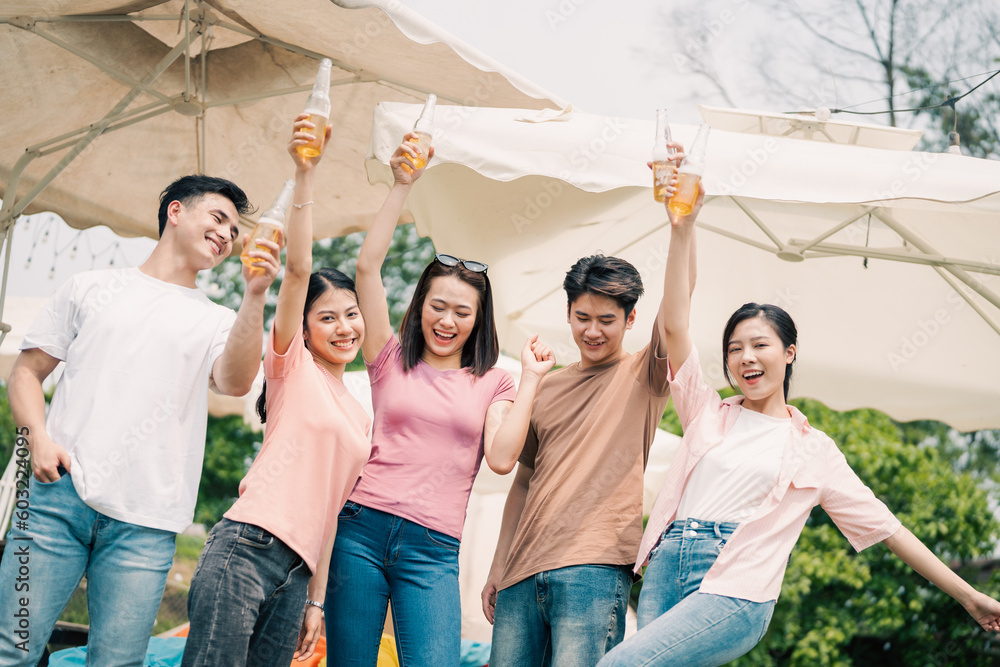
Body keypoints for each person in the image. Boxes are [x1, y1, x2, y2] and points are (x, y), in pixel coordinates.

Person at [597, 173, 1000, 666]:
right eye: (734, 349)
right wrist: (683, 228)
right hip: (666, 563)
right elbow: (675, 323)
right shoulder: (707, 410)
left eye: (759, 345)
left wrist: (968, 596)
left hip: (736, 587)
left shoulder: (814, 450)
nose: (746, 358)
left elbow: (890, 530)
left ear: (788, 354)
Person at [0, 174, 279, 666]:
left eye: (234, 231)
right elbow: (25, 373)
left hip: (146, 522)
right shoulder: (90, 287)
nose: (227, 235)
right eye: (218, 218)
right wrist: (37, 437)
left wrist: (254, 295)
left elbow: (237, 382)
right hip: (55, 500)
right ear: (175, 211)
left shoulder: (216, 320)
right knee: (12, 650)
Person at [323, 133, 555, 665]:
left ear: (478, 320)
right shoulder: (388, 358)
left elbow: (500, 460)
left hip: (433, 549)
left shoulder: (496, 381)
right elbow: (365, 269)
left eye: (462, 312)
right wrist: (403, 184)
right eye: (437, 306)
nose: (447, 321)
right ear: (420, 305)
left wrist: (535, 379)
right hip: (360, 527)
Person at [483, 145, 691, 666]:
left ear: (630, 319)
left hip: (596, 569)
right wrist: (496, 565)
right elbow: (523, 481)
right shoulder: (545, 386)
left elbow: (678, 310)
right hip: (521, 573)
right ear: (569, 313)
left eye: (606, 319)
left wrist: (681, 224)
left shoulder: (645, 373)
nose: (592, 330)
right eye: (582, 317)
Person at [182, 115, 371, 665]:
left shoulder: (360, 417)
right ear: (305, 330)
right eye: (328, 317)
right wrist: (305, 174)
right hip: (246, 546)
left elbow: (333, 512)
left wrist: (316, 599)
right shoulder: (291, 368)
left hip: (297, 573)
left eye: (352, 314)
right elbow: (297, 271)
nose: (345, 327)